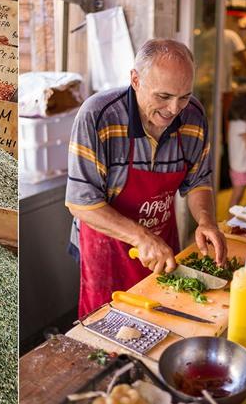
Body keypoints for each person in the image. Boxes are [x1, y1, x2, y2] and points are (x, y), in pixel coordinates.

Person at [66, 39, 227, 319]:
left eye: (184, 96)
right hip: (106, 247)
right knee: (107, 329)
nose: (175, 109)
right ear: (135, 79)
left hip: (162, 242)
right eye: (163, 96)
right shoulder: (98, 116)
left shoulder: (194, 115)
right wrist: (141, 237)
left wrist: (206, 221)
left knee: (166, 320)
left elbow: (198, 180)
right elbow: (80, 202)